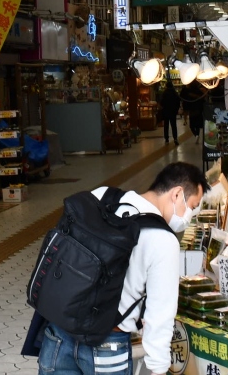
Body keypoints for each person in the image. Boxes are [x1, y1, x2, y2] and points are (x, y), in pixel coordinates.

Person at [35, 161, 206, 375]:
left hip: (58, 332)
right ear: (177, 194)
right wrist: (158, 368)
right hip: (107, 345)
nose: (189, 216)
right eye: (192, 206)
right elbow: (160, 314)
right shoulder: (163, 240)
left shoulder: (102, 196)